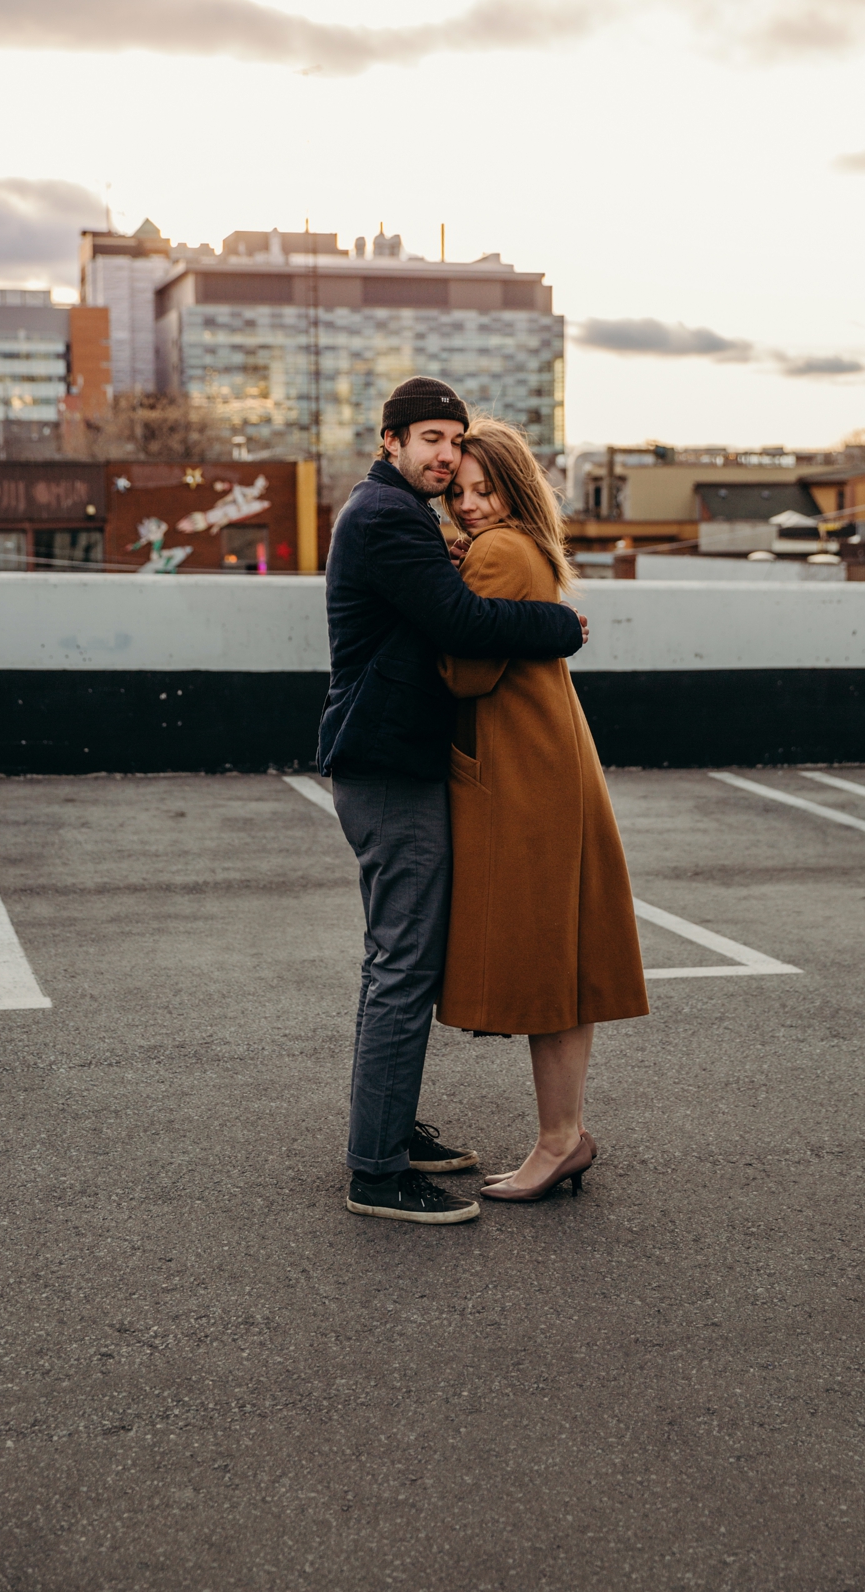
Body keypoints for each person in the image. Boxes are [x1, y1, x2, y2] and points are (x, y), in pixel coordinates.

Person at [318, 378, 588, 1226]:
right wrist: (561, 626)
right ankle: (376, 1171)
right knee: (403, 966)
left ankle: (388, 1129)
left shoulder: (392, 509)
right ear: (390, 440)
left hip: (389, 760)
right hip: (392, 766)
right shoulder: (387, 515)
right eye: (431, 439)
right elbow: (462, 623)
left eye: (455, 442)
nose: (444, 457)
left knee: (393, 962)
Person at [436, 417, 649, 1202]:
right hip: (552, 766)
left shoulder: (496, 551)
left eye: (486, 489)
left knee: (543, 959)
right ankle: (565, 1135)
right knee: (563, 960)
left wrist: (439, 597)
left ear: (516, 487)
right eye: (459, 492)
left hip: (522, 777)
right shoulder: (526, 547)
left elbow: (464, 673)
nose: (470, 505)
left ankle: (561, 1138)